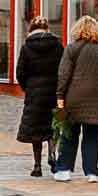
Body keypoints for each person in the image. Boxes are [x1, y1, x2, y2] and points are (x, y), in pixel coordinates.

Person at [55, 14, 98, 181]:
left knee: (69, 133)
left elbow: (63, 74)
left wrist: (60, 95)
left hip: (74, 98)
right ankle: (91, 172)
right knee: (92, 136)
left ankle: (64, 169)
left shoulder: (71, 49)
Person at [14, 12, 64, 178]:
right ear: (46, 28)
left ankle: (37, 165)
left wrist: (27, 87)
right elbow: (63, 68)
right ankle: (52, 155)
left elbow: (20, 72)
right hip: (53, 90)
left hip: (34, 91)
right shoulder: (57, 45)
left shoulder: (27, 46)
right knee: (52, 125)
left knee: (35, 129)